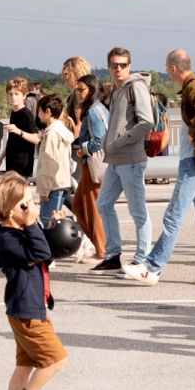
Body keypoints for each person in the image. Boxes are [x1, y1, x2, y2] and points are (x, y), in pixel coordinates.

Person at [123, 50, 195, 286]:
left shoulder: (194, 86)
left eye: (166, 66)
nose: (165, 70)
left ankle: (152, 268)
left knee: (173, 215)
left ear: (174, 67)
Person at [0, 172, 66, 390]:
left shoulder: (19, 231)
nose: (31, 209)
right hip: (27, 310)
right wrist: (32, 225)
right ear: (9, 210)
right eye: (25, 204)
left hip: (29, 307)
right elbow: (40, 253)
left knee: (25, 365)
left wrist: (51, 228)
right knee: (55, 361)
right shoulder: (5, 239)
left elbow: (46, 250)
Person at [96, 47, 154, 273]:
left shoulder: (135, 87)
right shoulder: (118, 90)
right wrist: (106, 142)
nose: (118, 69)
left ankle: (143, 259)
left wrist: (118, 141)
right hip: (116, 160)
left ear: (129, 66)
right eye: (114, 65)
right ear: (108, 66)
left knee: (138, 211)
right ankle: (113, 255)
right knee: (103, 204)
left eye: (122, 65)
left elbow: (146, 122)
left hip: (130, 158)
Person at [72, 73, 109, 264]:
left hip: (93, 164)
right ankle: (100, 246)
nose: (78, 93)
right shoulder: (98, 109)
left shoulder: (94, 110)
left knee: (92, 208)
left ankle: (102, 251)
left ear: (92, 90)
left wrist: (83, 149)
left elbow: (99, 139)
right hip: (91, 164)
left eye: (82, 89)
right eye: (77, 89)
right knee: (79, 206)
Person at [32, 95, 75, 229]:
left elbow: (49, 163)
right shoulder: (62, 130)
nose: (38, 114)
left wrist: (44, 190)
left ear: (48, 111)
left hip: (51, 184)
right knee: (55, 217)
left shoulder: (51, 133)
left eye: (39, 111)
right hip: (61, 181)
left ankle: (50, 248)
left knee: (48, 220)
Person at [0, 77, 39, 179]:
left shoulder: (26, 113)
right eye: (10, 94)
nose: (13, 97)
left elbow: (36, 139)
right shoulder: (13, 112)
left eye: (17, 94)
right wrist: (0, 159)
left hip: (22, 164)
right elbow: (11, 140)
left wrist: (19, 131)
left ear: (24, 96)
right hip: (11, 162)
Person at [60, 56, 92, 135]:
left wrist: (69, 142)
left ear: (75, 72)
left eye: (66, 74)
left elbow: (79, 124)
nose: (64, 77)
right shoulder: (88, 90)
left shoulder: (78, 93)